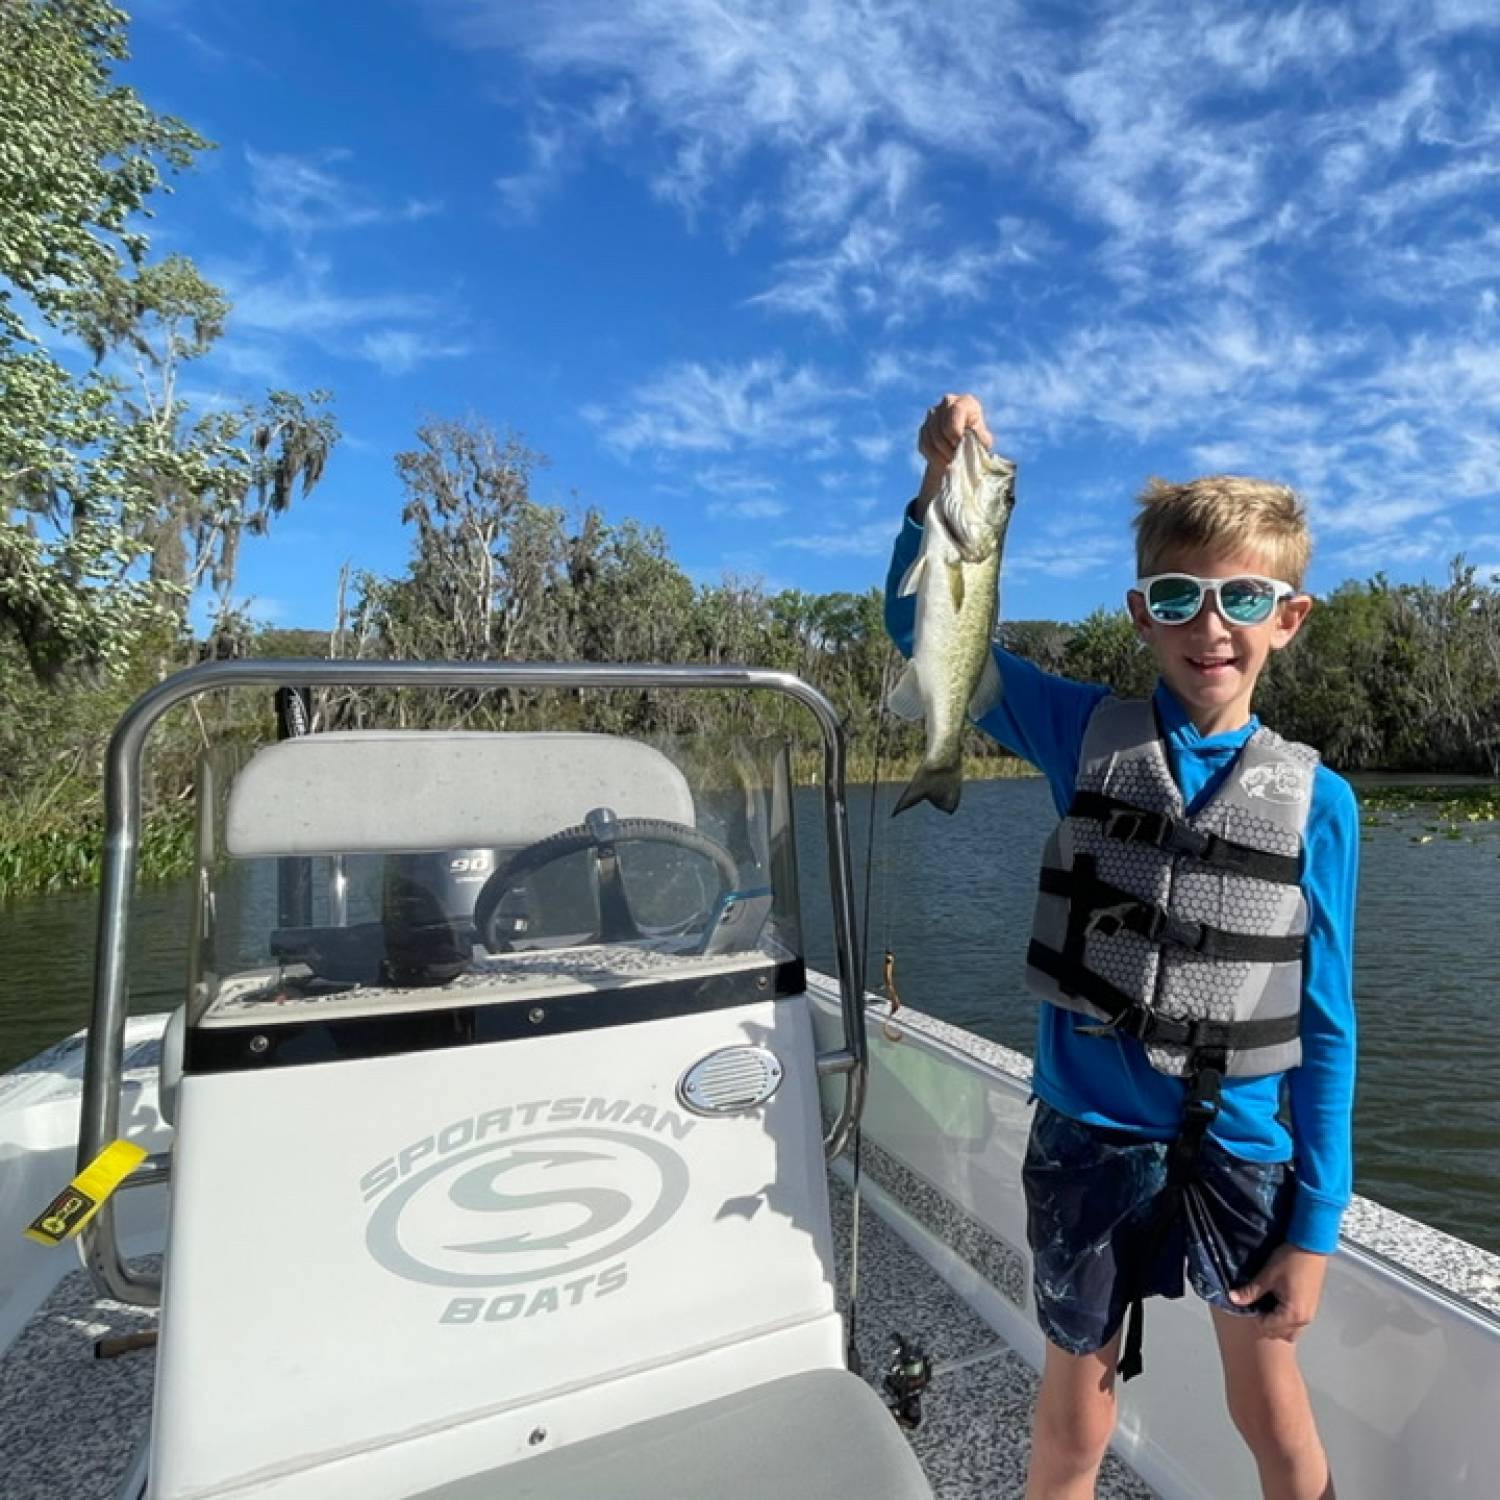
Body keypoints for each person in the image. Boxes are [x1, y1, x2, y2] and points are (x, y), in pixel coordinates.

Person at [884, 394, 1357, 1500]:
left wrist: (1318, 1227)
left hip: (1243, 1149)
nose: (1213, 627)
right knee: (1072, 1423)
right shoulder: (1074, 730)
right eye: (1183, 598)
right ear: (1142, 613)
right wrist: (931, 500)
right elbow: (923, 631)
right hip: (1086, 1143)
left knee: (1271, 1410)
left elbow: (1328, 1021)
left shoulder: (1320, 801)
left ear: (1289, 617)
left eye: (1246, 597)